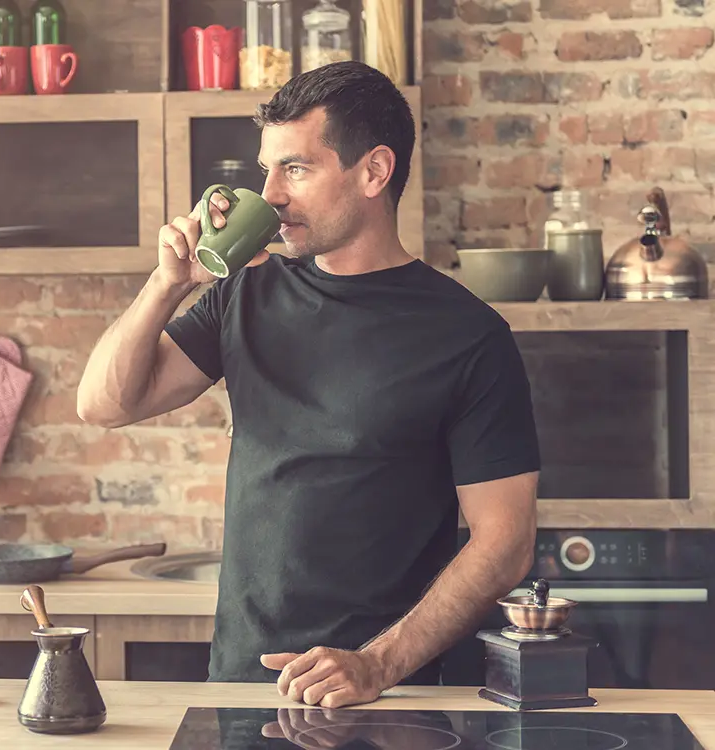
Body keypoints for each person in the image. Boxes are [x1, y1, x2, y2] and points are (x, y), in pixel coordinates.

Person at [77, 61, 540, 709]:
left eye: (295, 168)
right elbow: (105, 404)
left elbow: (506, 542)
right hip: (242, 679)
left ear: (374, 172)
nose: (269, 194)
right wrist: (168, 284)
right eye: (267, 169)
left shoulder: (469, 335)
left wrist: (376, 665)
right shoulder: (245, 292)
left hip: (390, 696)